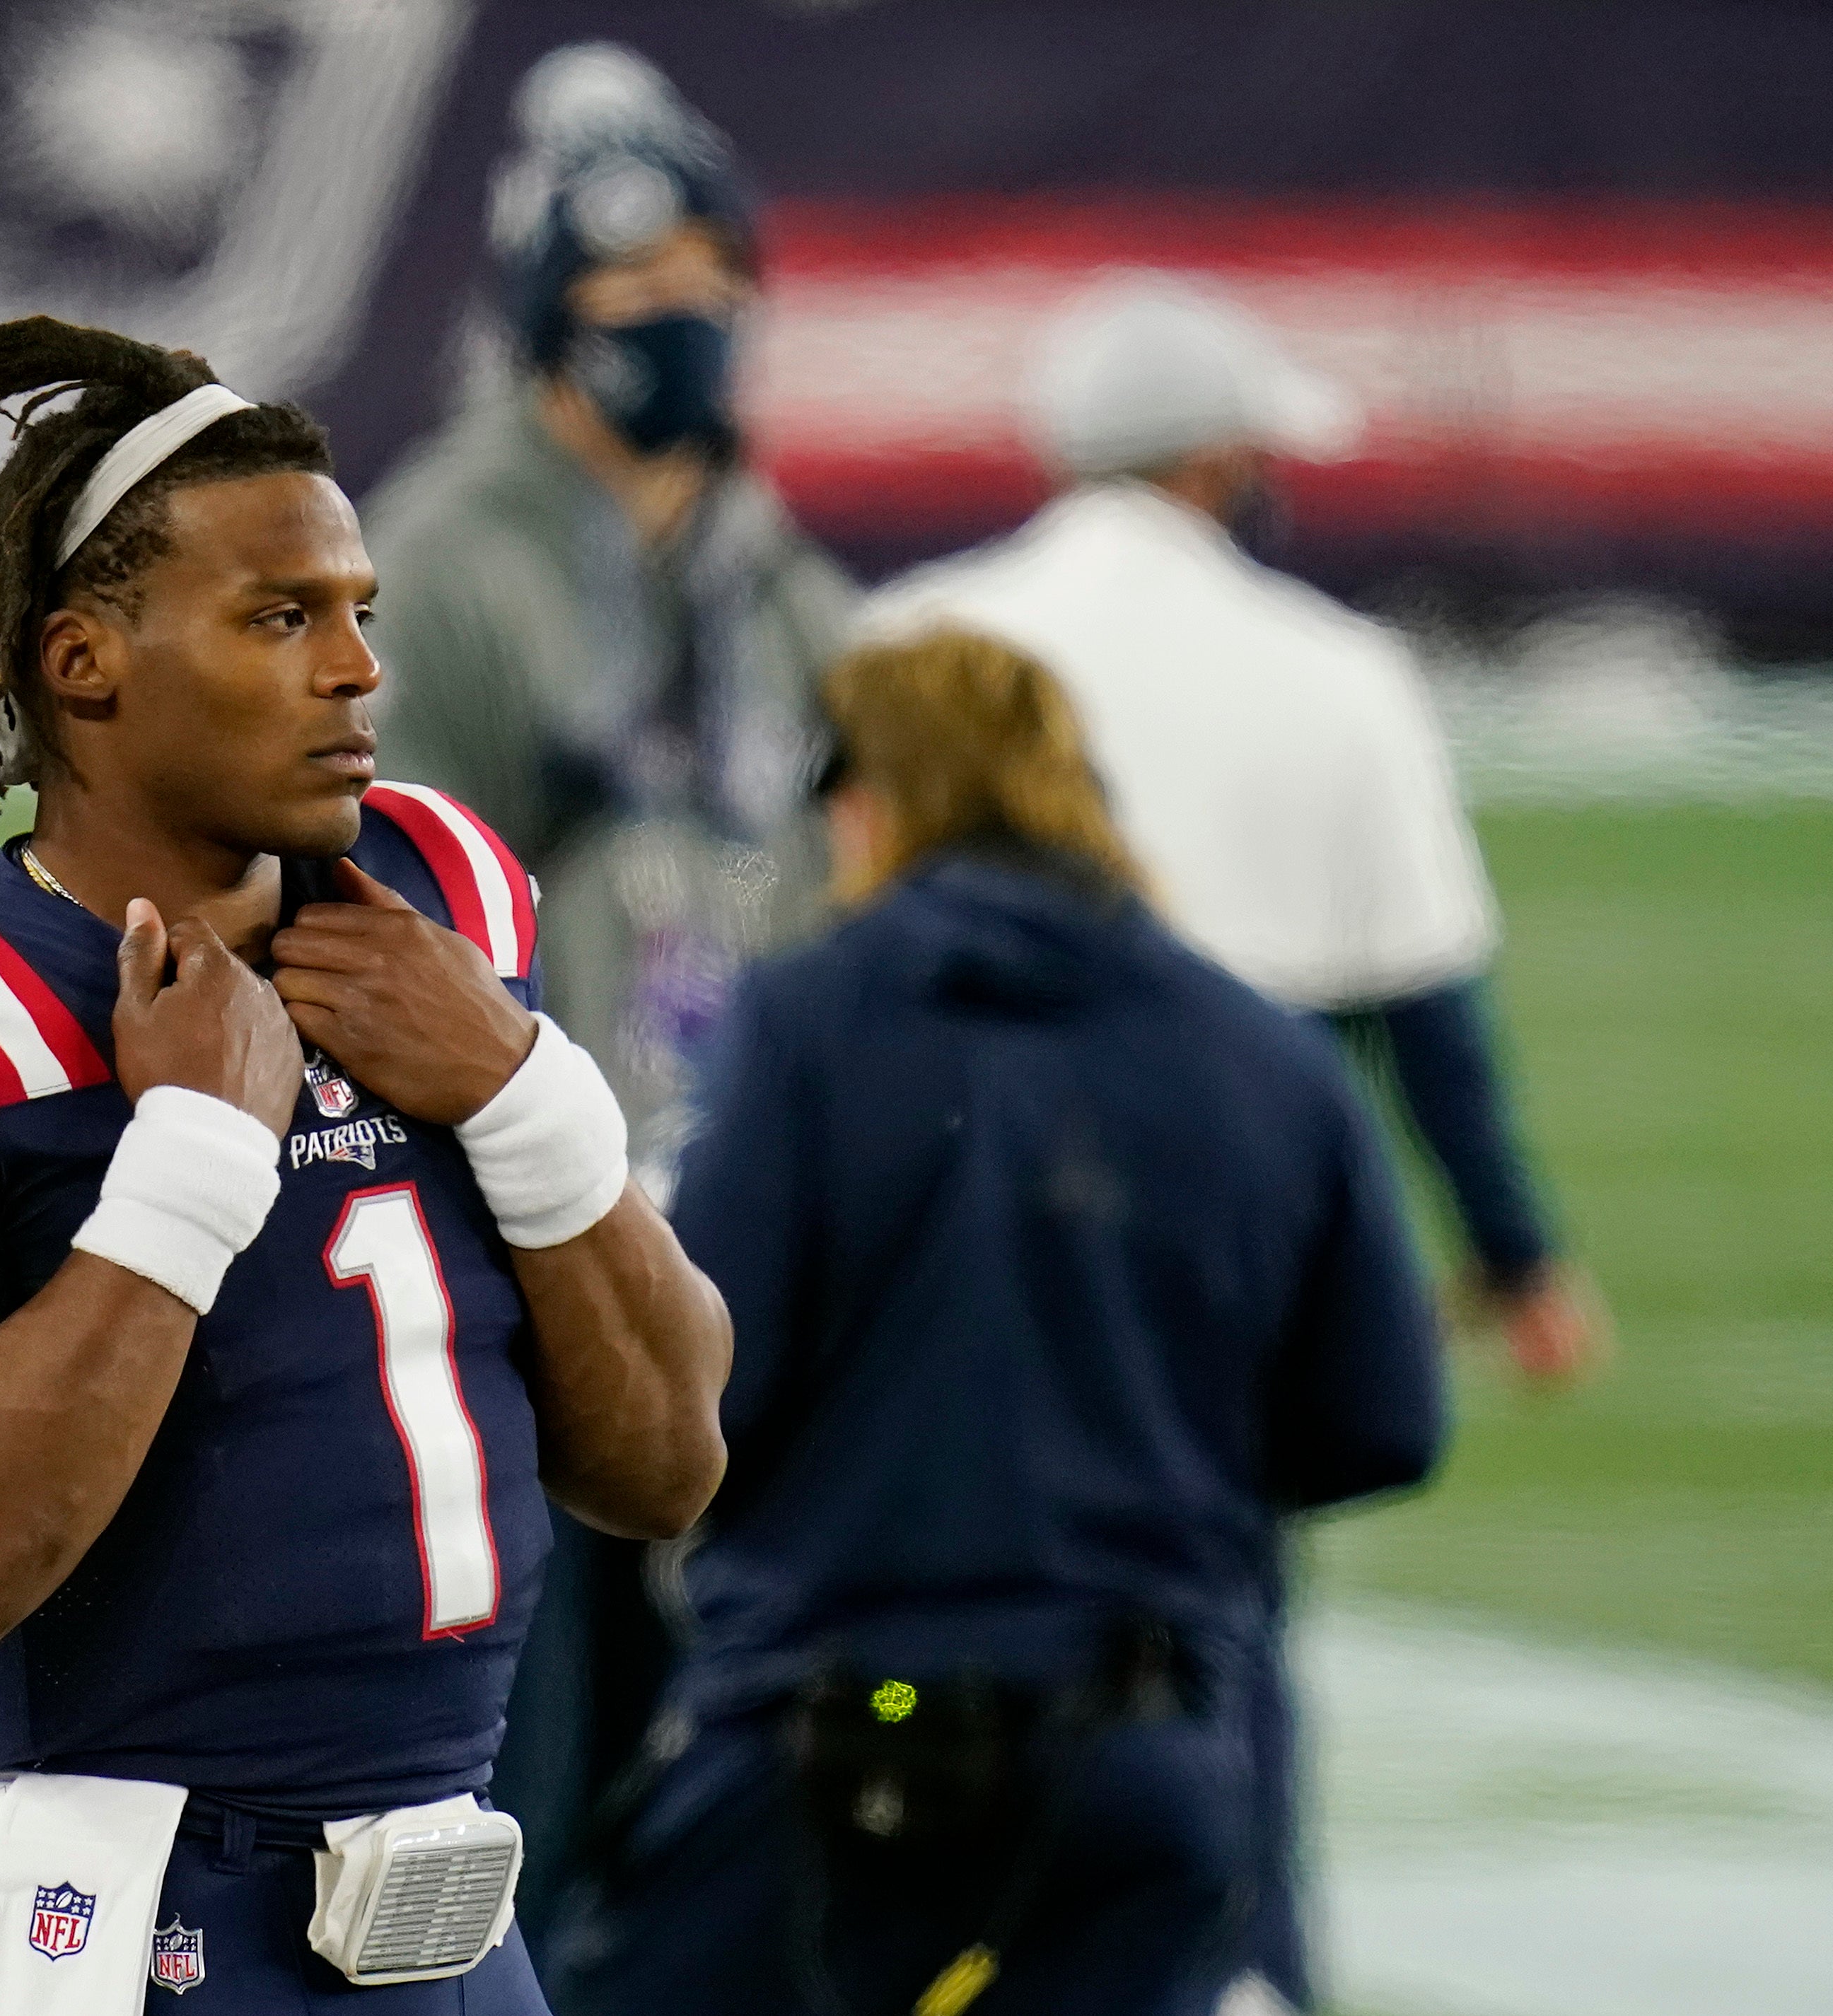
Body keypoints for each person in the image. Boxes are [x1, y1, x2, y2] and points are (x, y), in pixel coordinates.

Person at [0, 316, 731, 2015]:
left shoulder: (441, 903)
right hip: (125, 1922)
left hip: (456, 1912)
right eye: (279, 616)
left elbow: (669, 1465)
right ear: (84, 662)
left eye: (357, 615)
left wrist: (527, 1096)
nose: (355, 670)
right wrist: (186, 1164)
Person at [864, 278, 1598, 2015]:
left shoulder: (910, 637)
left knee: (914, 1606)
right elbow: (1430, 1009)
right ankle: (1236, 1967)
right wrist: (1515, 1252)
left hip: (949, 1203)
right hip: (1231, 1239)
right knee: (1220, 1626)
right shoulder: (1335, 670)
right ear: (1210, 462)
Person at [550, 629, 1445, 2016]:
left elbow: (709, 1384)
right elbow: (1382, 1420)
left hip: (854, 1722)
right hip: (1145, 1746)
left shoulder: (807, 1024)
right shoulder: (1264, 1050)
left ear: (876, 799)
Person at [358, 40, 854, 1919]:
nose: (681, 333)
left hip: (725, 1193)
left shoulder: (760, 556)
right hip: (528, 1223)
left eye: (705, 296)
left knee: (714, 1778)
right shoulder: (442, 555)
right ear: (546, 322)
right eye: (633, 302)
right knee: (525, 1778)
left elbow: (842, 843)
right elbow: (385, 912)